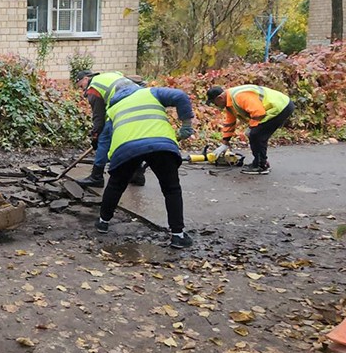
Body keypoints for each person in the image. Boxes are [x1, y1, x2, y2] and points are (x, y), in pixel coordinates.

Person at [95, 83, 196, 249]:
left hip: (126, 149)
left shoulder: (113, 109)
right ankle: (178, 235)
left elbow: (105, 140)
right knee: (171, 188)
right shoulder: (152, 93)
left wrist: (101, 165)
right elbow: (180, 96)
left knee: (116, 185)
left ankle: (102, 223)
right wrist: (186, 124)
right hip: (161, 145)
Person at [73, 70, 147, 188]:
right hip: (142, 104)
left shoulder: (94, 88)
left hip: (124, 107)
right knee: (132, 140)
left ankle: (96, 177)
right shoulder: (111, 75)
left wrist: (95, 135)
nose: (83, 90)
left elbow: (99, 117)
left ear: (86, 79)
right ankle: (137, 174)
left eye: (81, 86)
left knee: (104, 138)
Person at [206, 84, 294, 175]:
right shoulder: (229, 103)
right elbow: (230, 123)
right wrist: (225, 142)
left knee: (256, 135)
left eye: (214, 102)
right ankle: (261, 163)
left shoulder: (239, 96)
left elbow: (258, 113)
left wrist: (252, 128)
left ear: (220, 98)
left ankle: (260, 165)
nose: (215, 105)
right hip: (277, 107)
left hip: (280, 107)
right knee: (256, 134)